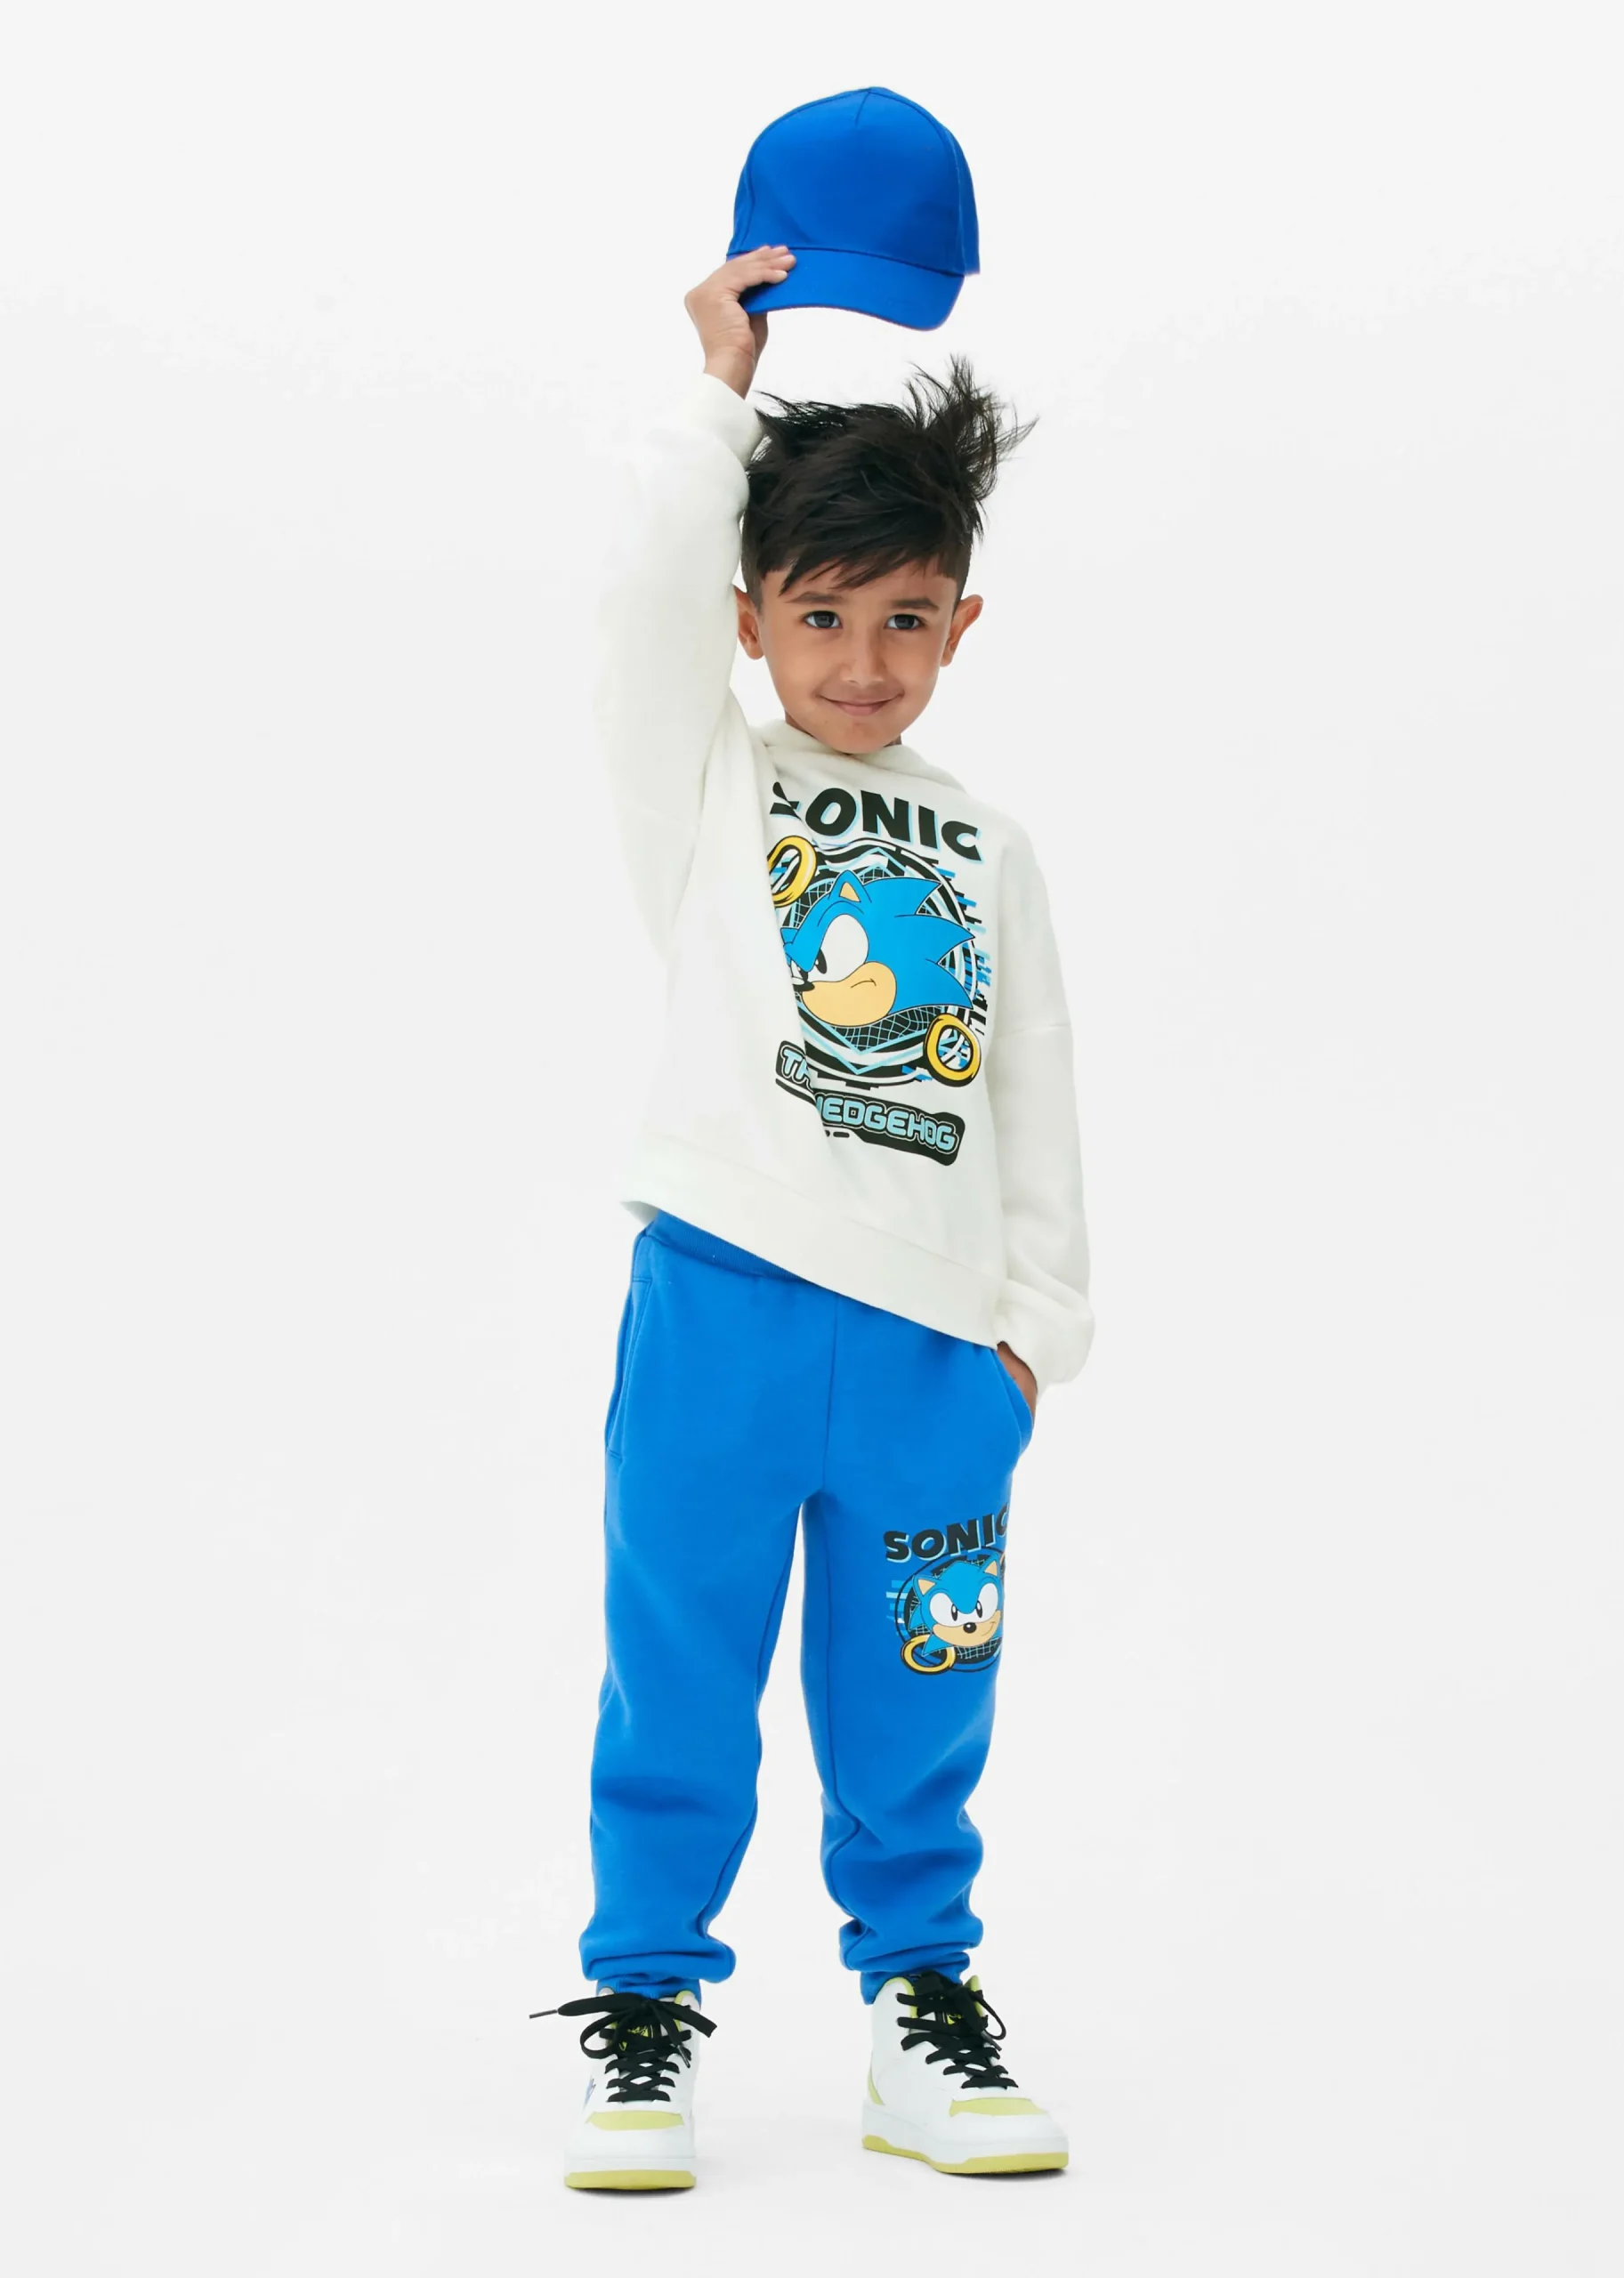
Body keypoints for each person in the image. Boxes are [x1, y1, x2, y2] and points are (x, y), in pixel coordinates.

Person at [533, 246, 1092, 2190]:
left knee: (922, 1693)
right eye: (822, 614)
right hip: (725, 1313)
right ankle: (643, 2011)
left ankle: (920, 2007)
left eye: (907, 618)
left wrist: (1031, 1339)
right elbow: (633, 610)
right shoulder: (710, 787)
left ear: (962, 623)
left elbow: (1033, 1096)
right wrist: (718, 392)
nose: (864, 659)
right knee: (678, 1673)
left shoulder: (990, 845)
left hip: (937, 1353)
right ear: (753, 619)